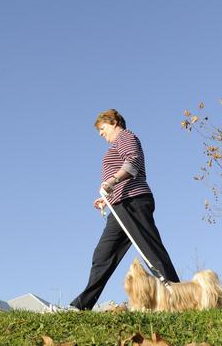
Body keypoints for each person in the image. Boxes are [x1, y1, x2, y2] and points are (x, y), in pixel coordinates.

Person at [69, 109, 180, 311]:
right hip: (119, 204)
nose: (101, 134)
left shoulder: (126, 137)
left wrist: (112, 181)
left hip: (133, 201)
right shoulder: (116, 144)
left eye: (102, 129)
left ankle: (178, 298)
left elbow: (133, 161)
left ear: (114, 123)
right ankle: (81, 305)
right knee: (103, 254)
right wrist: (106, 198)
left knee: (150, 251)